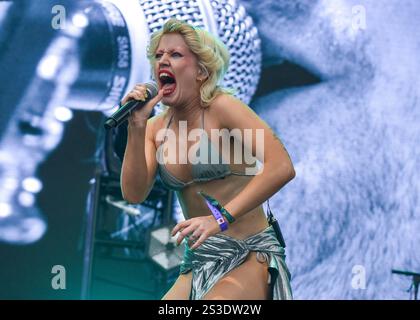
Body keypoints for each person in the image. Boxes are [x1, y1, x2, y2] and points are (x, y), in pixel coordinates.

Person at [120, 18, 295, 300]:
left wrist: (220, 219)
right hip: (199, 262)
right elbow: (134, 194)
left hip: (248, 253)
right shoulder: (154, 129)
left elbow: (281, 167)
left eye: (175, 54)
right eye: (158, 55)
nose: (163, 60)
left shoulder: (223, 108)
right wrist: (136, 126)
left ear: (201, 71)